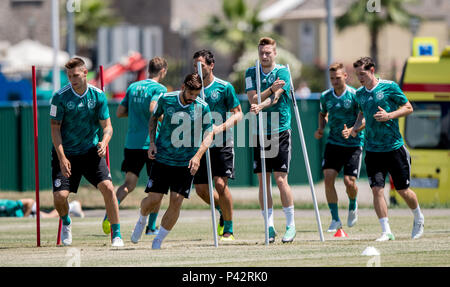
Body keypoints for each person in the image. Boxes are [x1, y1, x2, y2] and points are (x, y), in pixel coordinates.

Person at [130, 73, 214, 249]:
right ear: (183, 87)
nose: (193, 98)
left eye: (197, 94)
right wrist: (152, 143)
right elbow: (154, 118)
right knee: (153, 200)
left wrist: (198, 156)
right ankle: (142, 219)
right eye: (191, 93)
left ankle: (157, 241)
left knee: (176, 200)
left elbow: (209, 134)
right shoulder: (166, 99)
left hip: (186, 162)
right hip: (163, 158)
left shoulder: (202, 107)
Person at [50, 57, 123, 247]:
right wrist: (62, 157)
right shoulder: (59, 97)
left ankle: (117, 234)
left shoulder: (98, 96)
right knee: (60, 197)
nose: (72, 79)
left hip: (91, 152)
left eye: (75, 75)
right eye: (69, 76)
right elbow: (54, 129)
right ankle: (66, 222)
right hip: (67, 153)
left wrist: (104, 141)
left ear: (85, 74)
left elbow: (108, 127)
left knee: (108, 188)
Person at [350, 56, 424, 241]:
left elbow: (408, 108)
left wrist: (389, 115)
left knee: (402, 191)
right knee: (377, 190)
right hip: (373, 150)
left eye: (363, 73)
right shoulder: (359, 93)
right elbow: (362, 113)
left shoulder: (389, 87)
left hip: (394, 148)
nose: (360, 77)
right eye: (357, 74)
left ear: (372, 70)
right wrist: (355, 127)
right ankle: (386, 231)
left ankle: (418, 218)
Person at [102, 57, 168, 236]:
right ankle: (151, 227)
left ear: (149, 70)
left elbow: (120, 112)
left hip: (132, 143)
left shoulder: (133, 87)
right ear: (163, 71)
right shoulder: (159, 88)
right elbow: (154, 109)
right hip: (152, 144)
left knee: (128, 184)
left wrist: (136, 115)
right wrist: (167, 119)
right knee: (157, 188)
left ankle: (110, 214)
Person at [245, 37, 296, 243]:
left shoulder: (283, 71)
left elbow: (276, 97)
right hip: (260, 132)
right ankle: (269, 226)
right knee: (263, 181)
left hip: (280, 129)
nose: (264, 56)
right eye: (261, 52)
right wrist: (267, 92)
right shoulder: (251, 72)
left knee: (280, 179)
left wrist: (263, 101)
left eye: (268, 53)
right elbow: (252, 98)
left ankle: (291, 225)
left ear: (275, 53)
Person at [192, 49, 243, 241]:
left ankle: (228, 229)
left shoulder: (224, 87)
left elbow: (238, 113)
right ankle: (223, 209)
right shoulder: (192, 88)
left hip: (222, 143)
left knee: (221, 184)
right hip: (199, 145)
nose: (197, 69)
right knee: (201, 190)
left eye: (201, 65)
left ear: (211, 65)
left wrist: (219, 128)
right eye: (195, 65)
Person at [314, 62, 365, 233]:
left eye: (337, 78)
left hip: (353, 144)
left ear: (345, 76)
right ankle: (335, 219)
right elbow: (322, 114)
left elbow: (364, 116)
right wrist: (321, 128)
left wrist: (353, 130)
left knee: (349, 182)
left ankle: (352, 203)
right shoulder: (325, 96)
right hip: (334, 143)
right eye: (331, 79)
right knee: (328, 178)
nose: (334, 81)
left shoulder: (355, 95)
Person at [0, 198, 84, 218]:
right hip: (28, 213)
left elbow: (30, 201)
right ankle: (72, 206)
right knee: (50, 215)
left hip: (30, 211)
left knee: (49, 217)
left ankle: (73, 205)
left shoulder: (5, 205)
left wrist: (24, 218)